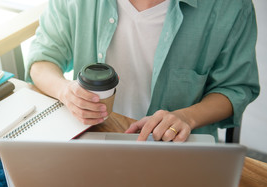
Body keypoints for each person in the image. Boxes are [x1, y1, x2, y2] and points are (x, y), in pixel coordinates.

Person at [25, 0, 260, 142]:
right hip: (90, 137)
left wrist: (187, 117)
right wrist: (65, 91)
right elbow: (42, 59)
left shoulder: (230, 7)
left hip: (176, 148)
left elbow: (235, 88)